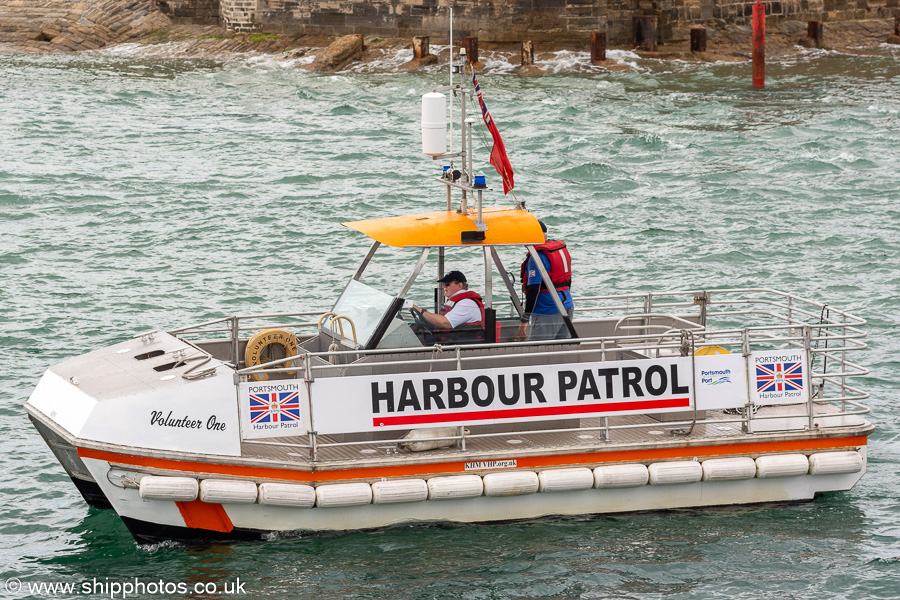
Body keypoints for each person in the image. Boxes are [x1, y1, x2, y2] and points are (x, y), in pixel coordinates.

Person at [516, 221, 574, 341]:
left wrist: (525, 318)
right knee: (562, 348)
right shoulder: (558, 251)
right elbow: (568, 280)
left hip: (547, 309)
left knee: (537, 350)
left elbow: (534, 289)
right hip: (567, 305)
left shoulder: (536, 257)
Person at [409, 270, 485, 330]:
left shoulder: (466, 303)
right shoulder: (456, 301)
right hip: (449, 342)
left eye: (447, 284)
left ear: (460, 285)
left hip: (461, 345)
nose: (444, 286)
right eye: (443, 284)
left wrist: (421, 311)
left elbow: (445, 323)